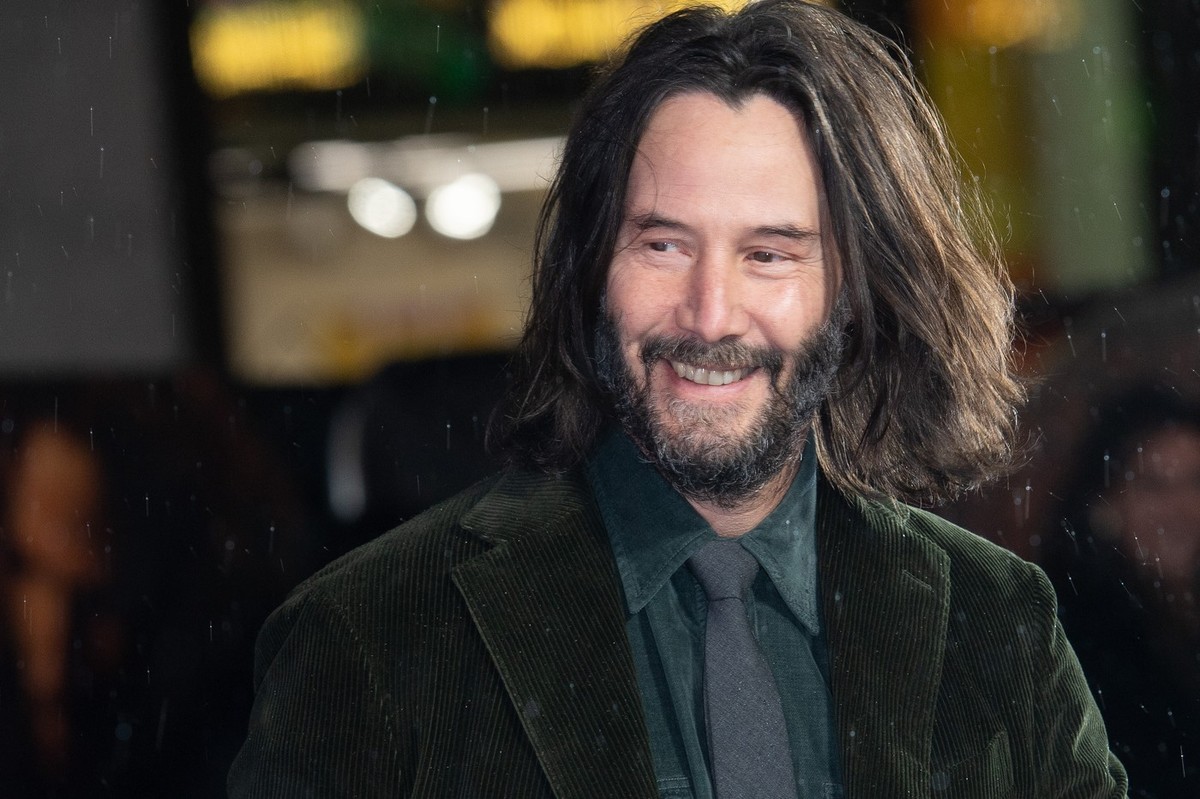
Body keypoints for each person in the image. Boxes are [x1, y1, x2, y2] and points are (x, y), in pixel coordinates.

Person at [229, 2, 1127, 796]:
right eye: (663, 245)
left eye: (768, 255)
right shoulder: (370, 636)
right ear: (590, 266)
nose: (709, 313)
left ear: (856, 293)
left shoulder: (997, 621)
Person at [1043, 387, 1200, 797]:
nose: (1182, 507)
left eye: (1195, 482)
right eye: (1154, 486)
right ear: (1106, 503)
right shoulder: (1078, 630)